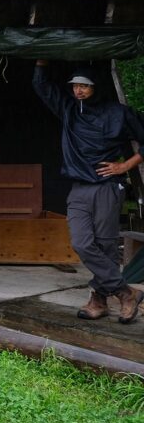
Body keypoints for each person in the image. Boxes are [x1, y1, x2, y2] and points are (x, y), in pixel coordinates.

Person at [33, 60, 144, 323]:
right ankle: (126, 292)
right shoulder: (70, 109)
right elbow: (42, 87)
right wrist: (40, 62)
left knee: (106, 245)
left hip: (107, 187)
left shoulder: (119, 113)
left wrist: (125, 165)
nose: (79, 91)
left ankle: (99, 300)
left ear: (97, 87)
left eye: (85, 86)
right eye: (75, 86)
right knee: (82, 243)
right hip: (79, 188)